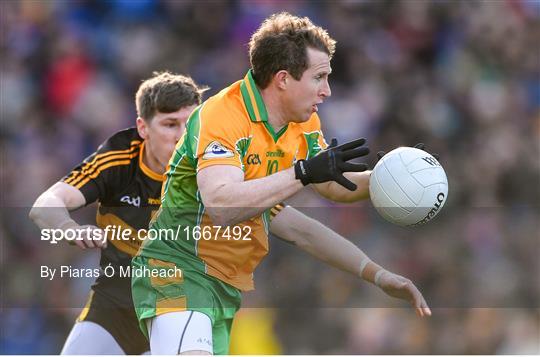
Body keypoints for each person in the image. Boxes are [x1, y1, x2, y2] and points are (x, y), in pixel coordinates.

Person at [132, 13, 431, 355]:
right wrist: (302, 172)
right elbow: (222, 206)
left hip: (222, 288)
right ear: (283, 79)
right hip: (176, 271)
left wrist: (389, 178)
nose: (327, 90)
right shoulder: (223, 116)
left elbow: (328, 187)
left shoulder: (300, 123)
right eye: (319, 77)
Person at [29, 71, 206, 354]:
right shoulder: (120, 159)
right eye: (171, 124)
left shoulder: (215, 169)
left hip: (180, 311)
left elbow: (283, 220)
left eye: (192, 124)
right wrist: (69, 228)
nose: (183, 136)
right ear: (143, 127)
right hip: (113, 312)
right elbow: (44, 205)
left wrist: (299, 176)